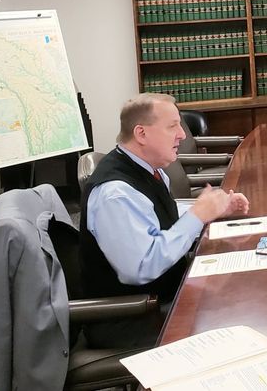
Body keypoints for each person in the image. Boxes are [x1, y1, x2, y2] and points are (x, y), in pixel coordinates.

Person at [80, 93, 250, 346]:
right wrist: (196, 216)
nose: (182, 134)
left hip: (163, 296)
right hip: (133, 318)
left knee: (241, 289)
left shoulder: (148, 169)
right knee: (239, 318)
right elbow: (143, 266)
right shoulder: (115, 194)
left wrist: (214, 208)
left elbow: (155, 215)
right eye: (173, 126)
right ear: (141, 134)